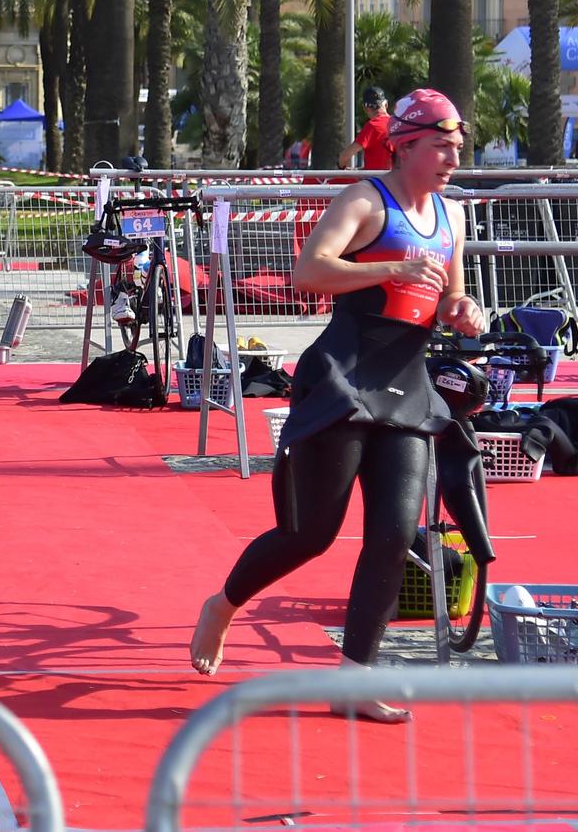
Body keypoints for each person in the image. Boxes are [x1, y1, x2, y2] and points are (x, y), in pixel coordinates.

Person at [189, 90, 485, 720]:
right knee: (310, 535)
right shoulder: (364, 199)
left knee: (394, 535)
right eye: (440, 146)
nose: (452, 160)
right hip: (343, 379)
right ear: (404, 146)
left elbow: (452, 297)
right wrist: (386, 271)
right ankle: (223, 604)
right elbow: (309, 273)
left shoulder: (453, 217)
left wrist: (463, 311)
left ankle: (353, 682)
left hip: (406, 384)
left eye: (457, 148)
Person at [338, 87, 393, 170]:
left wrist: (340, 166)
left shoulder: (372, 126)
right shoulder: (398, 124)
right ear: (386, 104)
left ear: (365, 108)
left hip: (377, 180)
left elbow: (345, 157)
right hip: (397, 179)